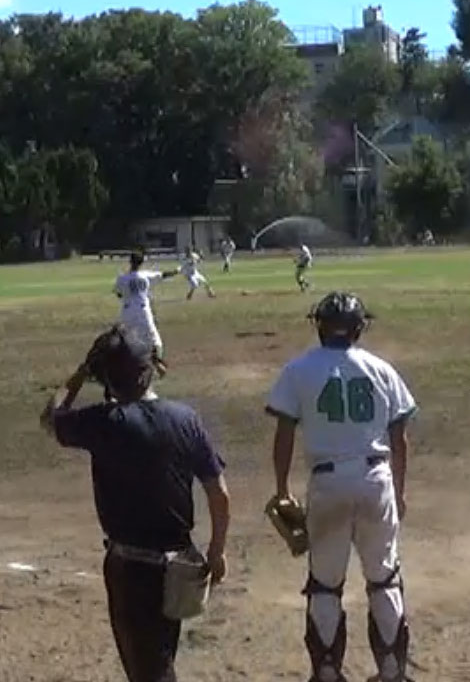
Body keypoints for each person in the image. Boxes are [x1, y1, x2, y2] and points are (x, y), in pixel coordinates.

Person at [40, 324, 231, 682]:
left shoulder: (103, 422)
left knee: (148, 671)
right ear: (151, 369)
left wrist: (81, 373)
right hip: (179, 565)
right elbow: (218, 493)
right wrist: (217, 551)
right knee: (160, 656)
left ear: (106, 378)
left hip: (130, 568)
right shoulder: (185, 419)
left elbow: (51, 417)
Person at [265, 291, 418, 682]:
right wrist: (398, 493)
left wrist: (282, 488)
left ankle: (328, 673)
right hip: (375, 478)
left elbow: (284, 435)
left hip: (327, 482)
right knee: (383, 577)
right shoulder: (381, 369)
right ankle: (391, 671)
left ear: (318, 326)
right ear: (359, 327)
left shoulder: (298, 370)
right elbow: (399, 438)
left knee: (325, 583)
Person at [114, 251, 180, 367]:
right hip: (143, 311)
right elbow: (163, 275)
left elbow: (119, 294)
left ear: (130, 262)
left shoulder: (122, 278)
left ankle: (125, 364)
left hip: (127, 311)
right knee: (155, 339)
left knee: (128, 339)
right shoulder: (146, 275)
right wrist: (176, 271)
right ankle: (158, 364)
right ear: (142, 263)